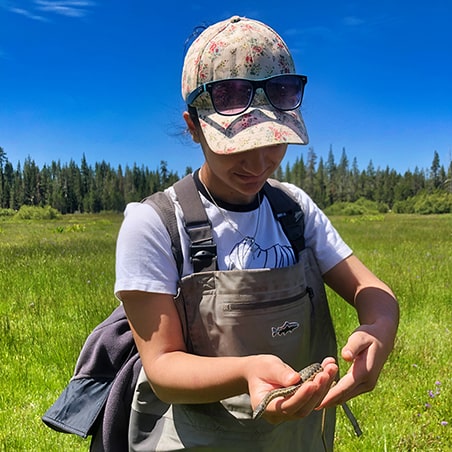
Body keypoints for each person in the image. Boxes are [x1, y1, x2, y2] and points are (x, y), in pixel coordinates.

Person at [114, 15, 399, 451]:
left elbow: (370, 289)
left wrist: (381, 323)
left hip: (296, 438)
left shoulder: (294, 210)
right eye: (239, 146)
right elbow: (163, 368)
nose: (260, 163)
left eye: (274, 142)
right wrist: (246, 372)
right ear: (193, 127)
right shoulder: (154, 224)